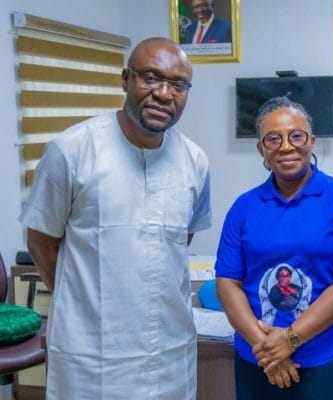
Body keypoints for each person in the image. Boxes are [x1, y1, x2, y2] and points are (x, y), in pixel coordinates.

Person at [20, 37, 211, 399]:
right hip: (91, 351)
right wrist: (84, 302)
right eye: (151, 78)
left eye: (178, 85)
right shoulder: (72, 151)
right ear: (125, 79)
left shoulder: (195, 162)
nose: (164, 94)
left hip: (167, 347)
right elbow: (40, 241)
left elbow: (179, 241)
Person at [215, 96, 333, 400]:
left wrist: (290, 340)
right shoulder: (244, 207)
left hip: (326, 360)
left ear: (312, 141)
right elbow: (227, 283)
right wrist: (267, 349)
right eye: (273, 139)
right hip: (257, 359)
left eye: (296, 135)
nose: (286, 146)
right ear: (262, 149)